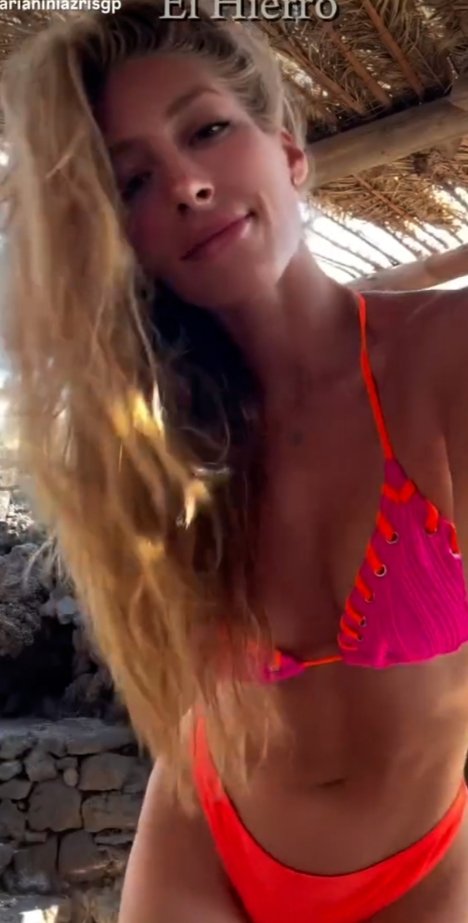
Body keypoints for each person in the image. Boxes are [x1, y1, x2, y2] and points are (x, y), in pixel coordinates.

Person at [2, 2, 468, 920]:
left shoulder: (444, 359)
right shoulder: (159, 441)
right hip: (203, 839)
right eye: (134, 180)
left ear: (288, 152)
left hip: (421, 863)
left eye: (208, 130)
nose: (185, 185)